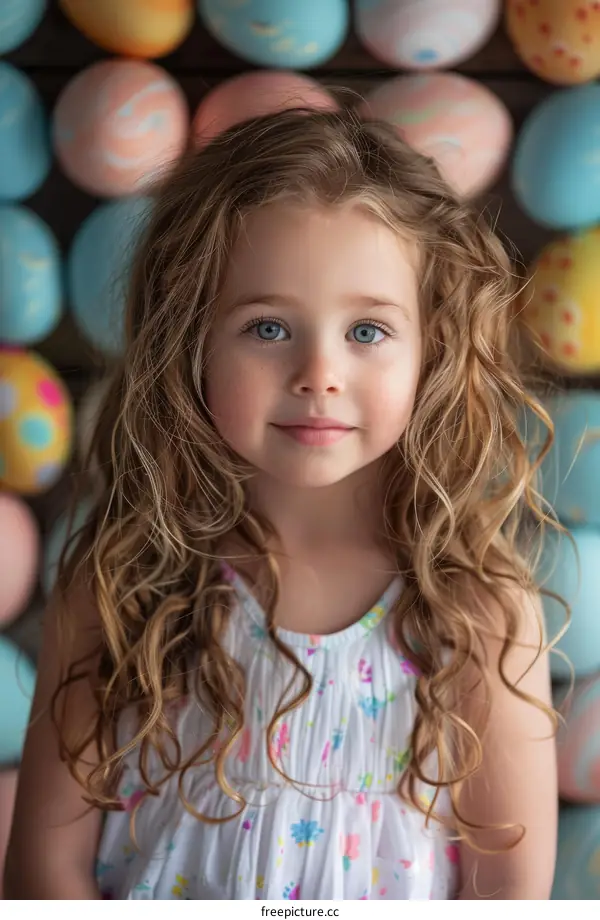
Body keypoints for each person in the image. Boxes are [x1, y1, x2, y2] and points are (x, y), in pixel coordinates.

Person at [5, 109, 559, 900]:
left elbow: (509, 896)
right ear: (189, 339)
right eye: (267, 327)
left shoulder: (475, 609)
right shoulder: (122, 585)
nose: (319, 373)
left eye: (367, 331)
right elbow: (43, 876)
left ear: (432, 348)